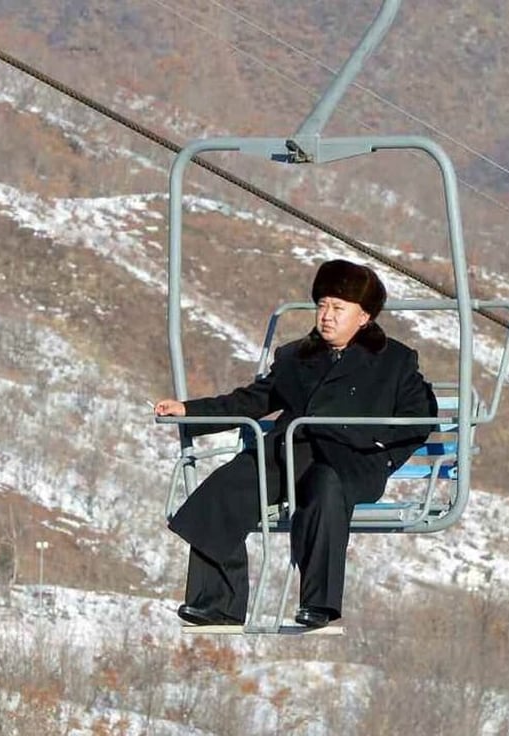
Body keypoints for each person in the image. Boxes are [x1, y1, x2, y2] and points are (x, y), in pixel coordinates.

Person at [154, 259, 438, 629]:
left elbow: (419, 417)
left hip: (350, 461)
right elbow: (250, 401)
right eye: (322, 305)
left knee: (325, 490)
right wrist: (190, 410)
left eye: (338, 308)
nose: (327, 316)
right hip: (290, 453)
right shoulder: (296, 357)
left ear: (363, 317)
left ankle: (318, 603)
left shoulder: (393, 361)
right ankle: (218, 602)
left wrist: (381, 452)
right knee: (225, 489)